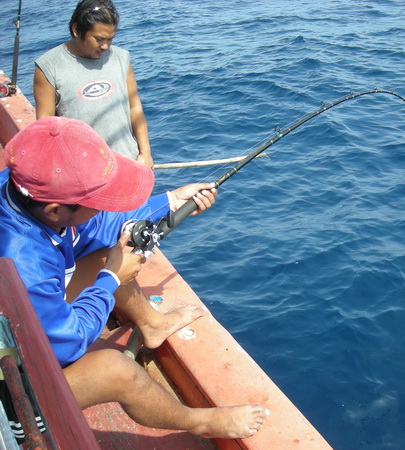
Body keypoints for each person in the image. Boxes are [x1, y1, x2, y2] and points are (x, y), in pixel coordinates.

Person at [0, 116, 268, 439]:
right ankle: (201, 423)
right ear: (56, 211)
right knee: (117, 370)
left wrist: (170, 202)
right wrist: (110, 279)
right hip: (14, 392)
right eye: (96, 202)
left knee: (108, 254)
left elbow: (96, 226)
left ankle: (153, 325)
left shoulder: (22, 191)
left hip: (25, 323)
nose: (104, 206)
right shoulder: (21, 264)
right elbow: (67, 345)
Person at [33, 0, 154, 168]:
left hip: (128, 163)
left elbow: (135, 107)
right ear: (76, 30)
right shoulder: (49, 66)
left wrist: (145, 153)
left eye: (110, 39)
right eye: (99, 39)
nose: (105, 46)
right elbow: (45, 124)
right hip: (81, 169)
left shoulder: (121, 58)